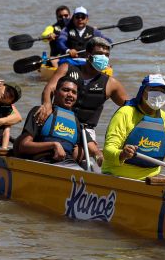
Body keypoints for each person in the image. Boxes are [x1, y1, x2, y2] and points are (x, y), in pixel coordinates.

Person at [35, 37, 128, 165]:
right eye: (100, 54)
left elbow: (129, 107)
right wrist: (46, 104)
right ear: (88, 55)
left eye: (107, 55)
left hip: (86, 129)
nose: (104, 58)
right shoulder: (67, 68)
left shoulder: (111, 83)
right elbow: (50, 88)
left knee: (77, 154)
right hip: (60, 120)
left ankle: (96, 159)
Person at [102, 74, 165, 180]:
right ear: (142, 92)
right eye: (153, 89)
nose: (158, 94)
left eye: (162, 91)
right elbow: (108, 150)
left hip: (150, 179)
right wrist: (122, 154)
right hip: (117, 176)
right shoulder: (125, 113)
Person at [15, 77, 86, 168]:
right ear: (55, 93)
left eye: (74, 92)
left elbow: (80, 151)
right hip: (43, 162)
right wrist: (53, 145)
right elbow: (23, 146)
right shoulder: (41, 112)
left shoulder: (75, 121)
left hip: (69, 164)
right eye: (65, 90)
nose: (70, 95)